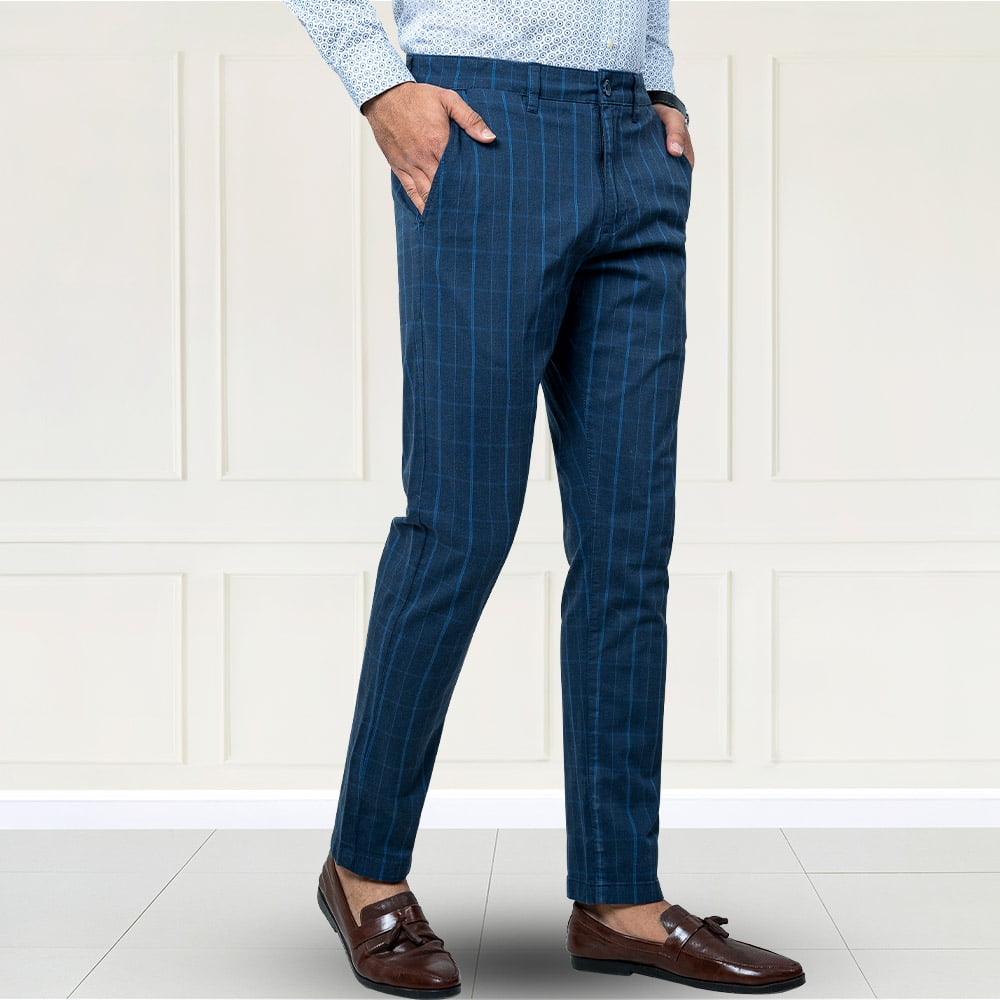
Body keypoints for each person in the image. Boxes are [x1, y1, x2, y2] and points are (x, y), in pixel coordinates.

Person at [283, 1, 805, 995]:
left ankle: (620, 899)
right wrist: (380, 86)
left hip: (631, 143)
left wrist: (657, 84)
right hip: (486, 127)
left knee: (627, 542)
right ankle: (362, 870)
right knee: (459, 526)